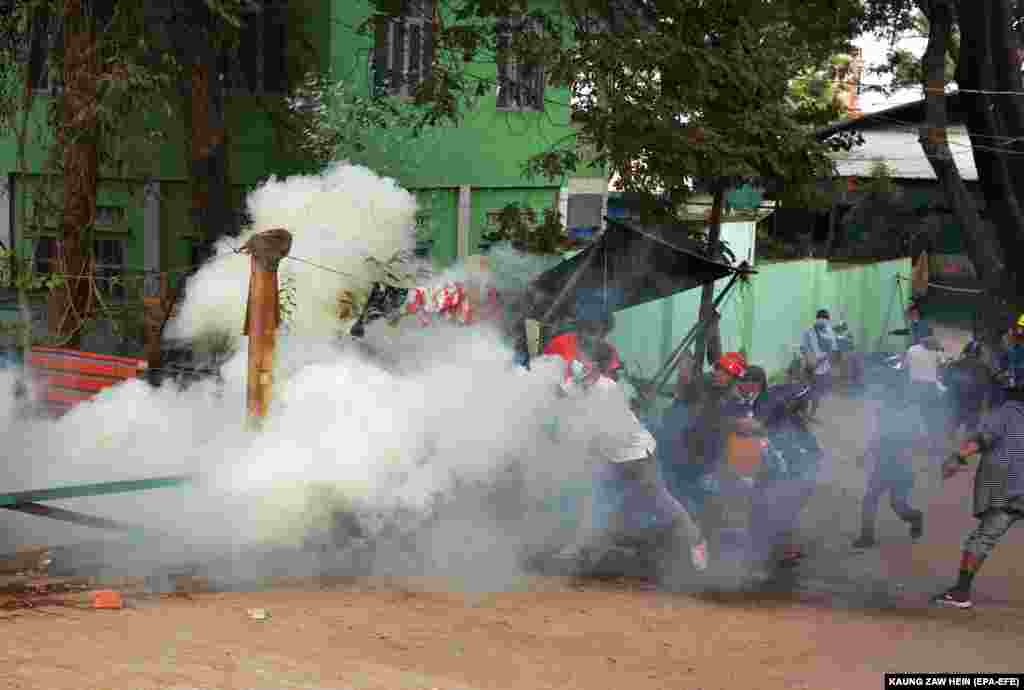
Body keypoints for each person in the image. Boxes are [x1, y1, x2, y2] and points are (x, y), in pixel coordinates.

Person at [548, 352, 709, 576]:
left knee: (661, 501)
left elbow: (598, 429)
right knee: (591, 497)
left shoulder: (608, 390)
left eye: (586, 367)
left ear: (596, 370)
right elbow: (558, 393)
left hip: (638, 455)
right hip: (612, 456)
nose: (581, 372)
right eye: (580, 366)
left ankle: (697, 540)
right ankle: (578, 549)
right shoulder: (578, 382)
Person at [931, 378, 1024, 609]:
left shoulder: (1007, 412)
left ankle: (961, 592)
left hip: (1008, 490)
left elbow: (983, 438)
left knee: (982, 539)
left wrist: (958, 457)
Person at [743, 367, 822, 569]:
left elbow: (806, 390)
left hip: (799, 461)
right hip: (795, 461)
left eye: (745, 381)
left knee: (781, 504)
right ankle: (782, 549)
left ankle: (780, 551)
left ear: (756, 383)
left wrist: (790, 406)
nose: (741, 385)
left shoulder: (768, 401)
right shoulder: (763, 401)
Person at [852, 381, 925, 549]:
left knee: (897, 504)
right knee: (870, 499)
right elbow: (876, 437)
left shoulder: (911, 414)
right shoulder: (884, 412)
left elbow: (920, 439)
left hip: (901, 465)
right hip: (883, 464)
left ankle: (915, 517)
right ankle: (867, 536)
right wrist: (866, 454)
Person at [906, 335, 949, 441]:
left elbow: (906, 364)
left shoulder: (911, 349)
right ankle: (929, 432)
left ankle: (915, 431)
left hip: (914, 384)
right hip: (929, 385)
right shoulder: (936, 352)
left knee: (917, 408)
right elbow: (944, 365)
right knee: (930, 409)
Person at [800, 309, 837, 418]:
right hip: (809, 367)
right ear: (817, 319)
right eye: (821, 319)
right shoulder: (808, 332)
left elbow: (832, 351)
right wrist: (809, 360)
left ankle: (811, 414)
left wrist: (821, 361)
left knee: (817, 393)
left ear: (827, 321)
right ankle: (803, 412)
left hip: (823, 369)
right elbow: (803, 348)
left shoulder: (830, 332)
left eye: (825, 320)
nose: (823, 322)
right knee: (805, 390)